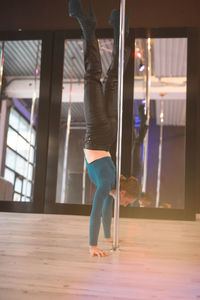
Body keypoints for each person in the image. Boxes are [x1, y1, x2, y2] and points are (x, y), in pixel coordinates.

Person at [68, 0, 140, 257]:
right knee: (94, 74)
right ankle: (89, 25)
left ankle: (120, 27)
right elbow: (96, 210)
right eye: (126, 202)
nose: (124, 205)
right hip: (97, 131)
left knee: (112, 77)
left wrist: (110, 236)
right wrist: (92, 245)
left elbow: (107, 210)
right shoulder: (109, 182)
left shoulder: (114, 182)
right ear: (121, 192)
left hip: (107, 131)